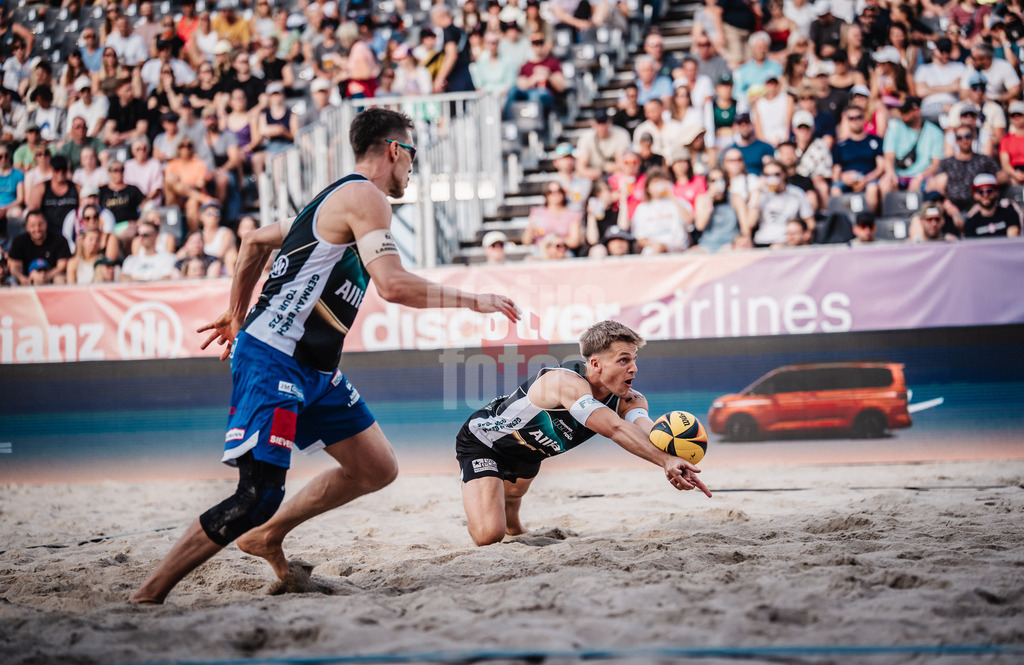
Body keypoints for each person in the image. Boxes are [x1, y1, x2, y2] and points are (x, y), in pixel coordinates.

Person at [130, 108, 519, 604]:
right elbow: (393, 285)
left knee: (376, 467)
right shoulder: (365, 196)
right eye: (412, 155)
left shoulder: (336, 201)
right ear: (393, 150)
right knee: (257, 495)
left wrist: (235, 311)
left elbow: (252, 241)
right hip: (273, 355)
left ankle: (265, 535)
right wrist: (473, 300)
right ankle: (150, 593)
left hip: (314, 367)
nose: (413, 167)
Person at [457, 320, 710, 546]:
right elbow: (614, 428)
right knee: (489, 535)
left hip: (530, 453)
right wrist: (665, 462)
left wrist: (674, 457)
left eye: (634, 360)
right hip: (485, 441)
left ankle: (513, 525)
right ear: (596, 364)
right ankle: (477, 512)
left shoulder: (631, 399)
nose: (633, 368)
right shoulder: (563, 383)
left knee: (512, 500)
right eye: (624, 360)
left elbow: (647, 430)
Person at [928, 124, 1004, 213]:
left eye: (967, 136)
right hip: (952, 209)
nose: (964, 140)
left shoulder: (984, 160)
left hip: (980, 207)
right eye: (959, 137)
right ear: (955, 141)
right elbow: (933, 187)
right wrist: (947, 204)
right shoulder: (947, 163)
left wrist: (987, 182)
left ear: (973, 137)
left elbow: (1003, 177)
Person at [882, 96, 943, 193]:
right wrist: (890, 173)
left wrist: (920, 177)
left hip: (923, 177)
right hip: (900, 176)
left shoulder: (935, 132)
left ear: (917, 111)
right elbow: (889, 156)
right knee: (885, 184)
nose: (901, 114)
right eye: (900, 111)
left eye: (905, 111)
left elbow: (936, 164)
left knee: (937, 182)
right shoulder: (894, 129)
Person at [831, 106, 884, 213]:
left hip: (869, 179)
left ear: (864, 118)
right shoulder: (840, 146)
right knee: (835, 190)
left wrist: (865, 179)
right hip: (847, 181)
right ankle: (844, 222)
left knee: (872, 189)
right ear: (847, 120)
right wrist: (843, 177)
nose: (855, 121)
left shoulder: (875, 140)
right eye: (851, 118)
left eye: (858, 117)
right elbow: (835, 173)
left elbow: (881, 167)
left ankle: (868, 222)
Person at [750, 158, 814, 246]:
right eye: (767, 175)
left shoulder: (796, 193)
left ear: (784, 174)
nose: (772, 178)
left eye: (777, 174)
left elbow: (810, 222)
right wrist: (758, 192)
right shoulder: (759, 193)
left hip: (787, 240)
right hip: (762, 240)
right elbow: (750, 223)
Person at [693, 166, 756, 252]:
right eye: (713, 180)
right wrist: (710, 200)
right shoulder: (702, 199)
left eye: (721, 180)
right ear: (707, 183)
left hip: (730, 244)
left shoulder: (735, 198)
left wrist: (743, 240)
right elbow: (700, 225)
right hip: (707, 245)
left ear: (726, 182)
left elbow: (745, 228)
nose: (717, 184)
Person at [7, 210, 71, 286]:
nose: (37, 229)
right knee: (12, 282)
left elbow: (62, 265)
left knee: (60, 279)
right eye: (32, 225)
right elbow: (14, 267)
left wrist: (44, 277)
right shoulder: (19, 241)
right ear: (27, 226)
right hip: (26, 280)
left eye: (40, 224)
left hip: (51, 277)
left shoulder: (59, 240)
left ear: (46, 224)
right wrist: (22, 278)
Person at [523, 181, 583, 252]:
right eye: (550, 192)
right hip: (541, 253)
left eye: (559, 191)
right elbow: (526, 241)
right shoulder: (537, 213)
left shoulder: (572, 214)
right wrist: (530, 232)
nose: (555, 194)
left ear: (563, 193)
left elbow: (574, 242)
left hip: (563, 253)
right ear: (546, 195)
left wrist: (554, 241)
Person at [957, 173, 1023, 238]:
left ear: (997, 192)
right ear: (974, 195)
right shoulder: (970, 223)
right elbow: (972, 246)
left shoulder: (1010, 214)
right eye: (980, 192)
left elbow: (1012, 241)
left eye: (989, 191)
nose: (985, 195)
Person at [575, 110, 632, 180]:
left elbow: (622, 163)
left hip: (615, 175)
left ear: (609, 122)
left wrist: (603, 172)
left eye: (604, 122)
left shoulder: (621, 134)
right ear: (593, 123)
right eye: (599, 123)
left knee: (623, 174)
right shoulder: (586, 138)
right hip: (593, 176)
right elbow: (580, 167)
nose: (602, 126)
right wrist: (593, 173)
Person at [727, 112, 775, 176]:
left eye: (747, 123)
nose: (744, 127)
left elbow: (771, 169)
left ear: (752, 125)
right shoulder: (731, 150)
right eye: (740, 124)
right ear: (736, 127)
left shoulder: (765, 147)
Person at [999, 101, 1024, 185]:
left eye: (1019, 114)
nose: (1016, 117)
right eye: (1013, 115)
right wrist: (1015, 174)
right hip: (1013, 172)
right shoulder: (1006, 139)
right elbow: (1005, 164)